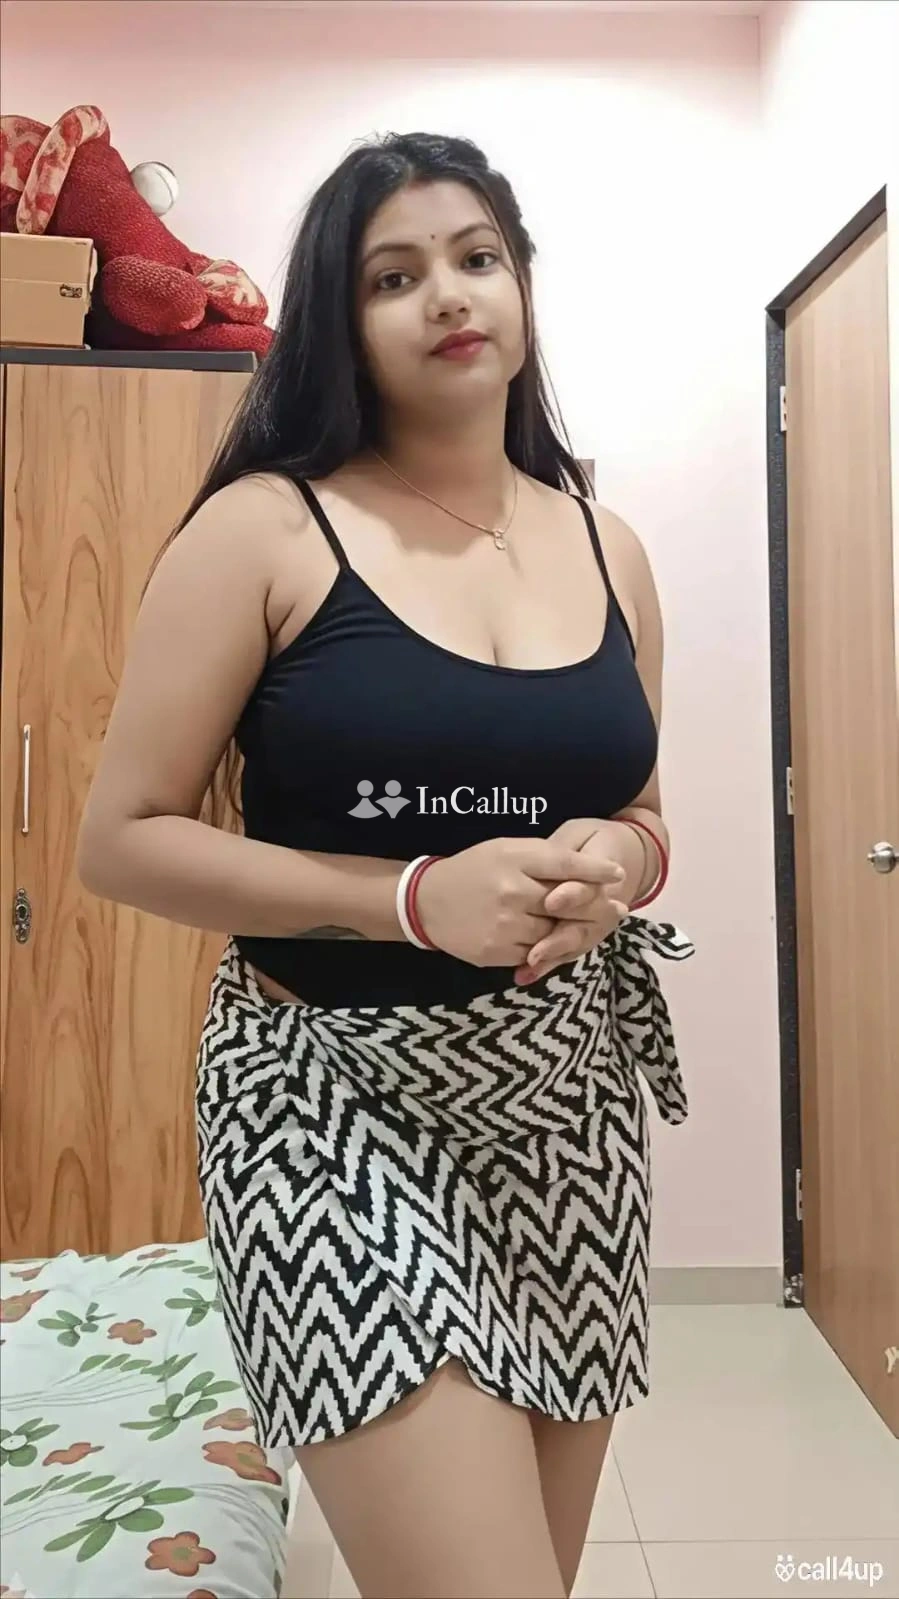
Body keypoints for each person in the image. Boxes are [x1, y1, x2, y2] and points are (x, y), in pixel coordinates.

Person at [77, 131, 693, 1599]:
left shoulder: (607, 545)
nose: (448, 295)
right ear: (339, 320)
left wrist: (617, 863)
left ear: (522, 284)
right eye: (393, 276)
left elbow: (645, 810)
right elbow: (123, 837)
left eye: (477, 258)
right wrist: (409, 900)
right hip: (327, 1102)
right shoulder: (265, 529)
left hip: (565, 1109)